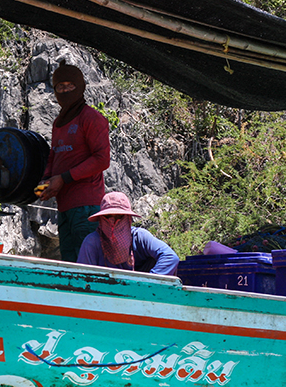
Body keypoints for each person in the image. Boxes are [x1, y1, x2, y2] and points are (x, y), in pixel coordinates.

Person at [37, 62, 110, 262]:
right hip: (64, 206)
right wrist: (45, 182)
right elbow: (55, 155)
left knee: (87, 264)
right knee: (70, 262)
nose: (65, 90)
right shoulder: (58, 122)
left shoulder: (92, 118)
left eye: (70, 85)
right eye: (60, 87)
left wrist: (64, 178)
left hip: (87, 206)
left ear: (81, 87)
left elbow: (102, 159)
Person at [77, 191, 179, 275]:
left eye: (119, 217)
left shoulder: (140, 237)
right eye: (108, 217)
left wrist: (147, 283)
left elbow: (170, 257)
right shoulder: (92, 242)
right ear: (100, 220)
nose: (113, 223)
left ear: (128, 219)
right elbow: (83, 277)